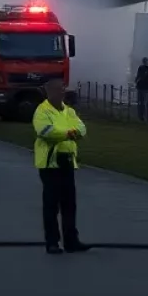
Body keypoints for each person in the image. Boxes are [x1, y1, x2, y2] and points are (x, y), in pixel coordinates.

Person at [33, 78, 89, 254]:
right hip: (50, 163)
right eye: (58, 89)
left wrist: (71, 132)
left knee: (69, 204)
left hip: (67, 161)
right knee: (51, 205)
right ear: (49, 92)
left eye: (63, 89)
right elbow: (46, 131)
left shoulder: (69, 111)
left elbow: (82, 128)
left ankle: (71, 241)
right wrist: (69, 134)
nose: (62, 92)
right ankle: (52, 242)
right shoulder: (42, 111)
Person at [135, 58, 148, 122]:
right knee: (146, 103)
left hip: (140, 87)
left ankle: (141, 116)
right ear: (146, 62)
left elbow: (138, 76)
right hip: (146, 88)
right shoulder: (147, 68)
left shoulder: (140, 68)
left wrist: (136, 82)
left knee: (140, 103)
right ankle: (146, 117)